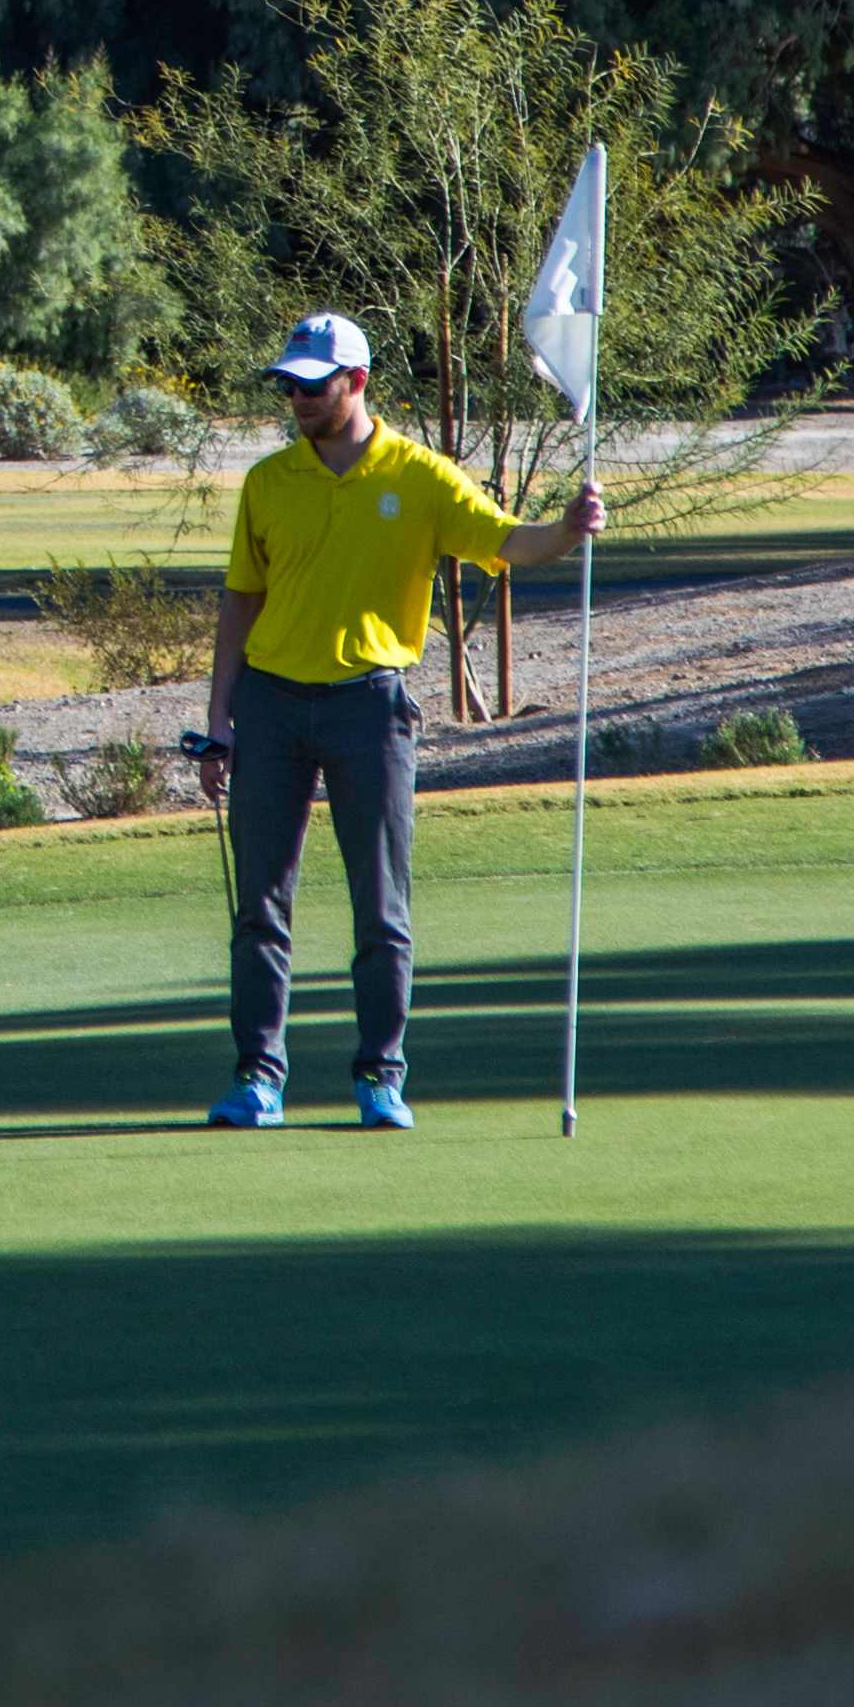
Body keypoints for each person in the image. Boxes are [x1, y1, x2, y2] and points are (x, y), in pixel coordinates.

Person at [202, 311, 598, 1132]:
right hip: (270, 705)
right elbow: (242, 600)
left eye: (314, 386)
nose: (299, 400)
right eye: (288, 386)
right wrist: (219, 723)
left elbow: (505, 543)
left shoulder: (419, 477)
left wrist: (565, 529)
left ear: (357, 383)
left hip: (370, 705)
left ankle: (381, 1076)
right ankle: (258, 1079)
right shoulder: (268, 482)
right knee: (259, 909)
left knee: (381, 909)